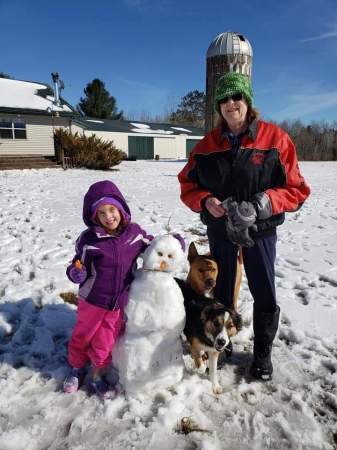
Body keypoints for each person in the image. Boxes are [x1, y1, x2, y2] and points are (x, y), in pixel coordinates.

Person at [178, 72, 310, 381]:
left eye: (236, 97)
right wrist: (205, 200)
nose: (230, 104)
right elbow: (187, 185)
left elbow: (297, 189)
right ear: (218, 107)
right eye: (223, 100)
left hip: (259, 232)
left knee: (264, 290)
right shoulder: (206, 146)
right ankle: (219, 346)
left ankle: (262, 352)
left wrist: (265, 203)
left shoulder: (276, 139)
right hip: (221, 230)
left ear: (247, 101)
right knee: (221, 290)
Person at [63, 180, 153, 398]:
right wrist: (76, 273)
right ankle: (76, 368)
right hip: (92, 299)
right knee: (83, 335)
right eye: (101, 213)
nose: (108, 216)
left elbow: (154, 245)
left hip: (117, 302)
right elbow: (77, 264)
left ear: (121, 209)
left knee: (106, 339)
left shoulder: (134, 233)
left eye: (112, 209)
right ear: (95, 217)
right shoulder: (89, 240)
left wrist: (173, 242)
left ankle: (96, 373)